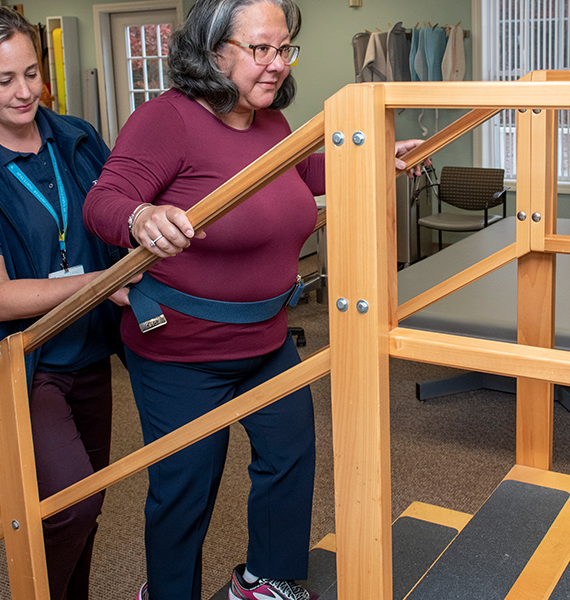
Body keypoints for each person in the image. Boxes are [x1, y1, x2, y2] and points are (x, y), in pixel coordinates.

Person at [83, 1, 423, 598]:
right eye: (259, 49)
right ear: (213, 52)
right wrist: (142, 216)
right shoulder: (167, 120)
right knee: (186, 483)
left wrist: (372, 159)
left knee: (289, 455)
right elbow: (104, 200)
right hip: (182, 348)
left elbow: (297, 176)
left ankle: (264, 580)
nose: (276, 64)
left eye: (284, 48)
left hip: (266, 336)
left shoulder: (271, 124)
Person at [0, 6, 131, 599]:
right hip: (18, 360)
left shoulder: (77, 138)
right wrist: (98, 281)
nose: (24, 92)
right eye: (3, 79)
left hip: (85, 349)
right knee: (71, 503)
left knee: (88, 502)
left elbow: (120, 210)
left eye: (32, 74)